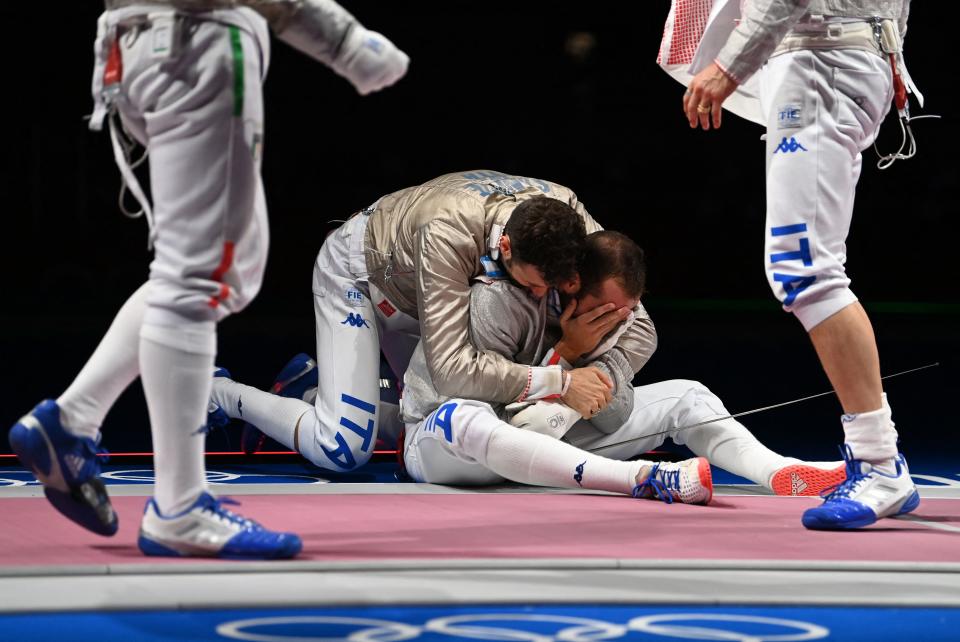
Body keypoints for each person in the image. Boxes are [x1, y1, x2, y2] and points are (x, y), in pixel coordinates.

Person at [7, 0, 409, 558]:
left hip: (150, 44)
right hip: (195, 38)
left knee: (228, 270)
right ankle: (180, 507)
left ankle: (72, 421)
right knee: (195, 278)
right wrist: (341, 40)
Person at [215, 170, 652, 473]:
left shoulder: (568, 214)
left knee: (440, 427)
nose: (542, 299)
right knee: (342, 446)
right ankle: (222, 394)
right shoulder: (447, 232)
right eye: (536, 286)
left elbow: (642, 329)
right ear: (505, 247)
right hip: (365, 280)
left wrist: (592, 360)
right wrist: (562, 379)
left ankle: (307, 391)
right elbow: (451, 371)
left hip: (437, 293)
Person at [675, 0, 919, 529]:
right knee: (805, 270)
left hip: (823, 60)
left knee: (807, 271)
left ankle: (880, 464)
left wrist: (728, 66)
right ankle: (877, 461)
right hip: (832, 56)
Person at [399, 231, 845, 499]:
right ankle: (643, 479)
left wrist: (582, 370)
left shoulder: (633, 327)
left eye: (626, 310)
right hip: (445, 448)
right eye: (604, 309)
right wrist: (566, 361)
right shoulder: (499, 302)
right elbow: (490, 410)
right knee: (468, 417)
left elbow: (610, 411)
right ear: (570, 287)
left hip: (543, 448)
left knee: (686, 394)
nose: (617, 321)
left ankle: (777, 470)